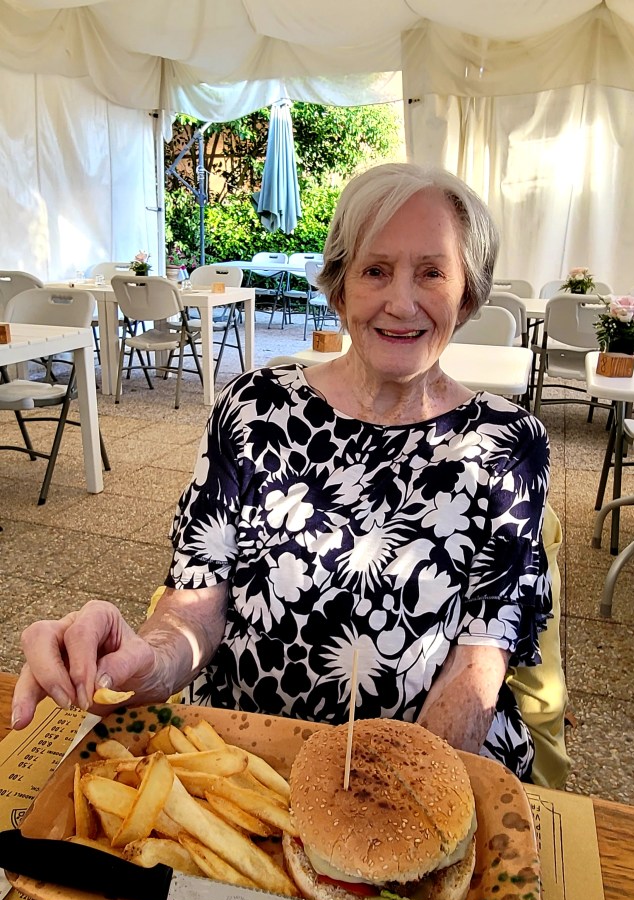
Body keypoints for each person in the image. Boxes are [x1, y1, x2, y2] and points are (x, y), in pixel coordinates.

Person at [12, 163, 551, 782]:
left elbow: (479, 663)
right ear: (339, 287)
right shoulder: (254, 410)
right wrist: (140, 661)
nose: (401, 303)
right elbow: (193, 611)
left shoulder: (508, 444)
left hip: (423, 769)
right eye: (375, 270)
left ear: (468, 294)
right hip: (238, 762)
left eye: (432, 273)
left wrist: (395, 792)